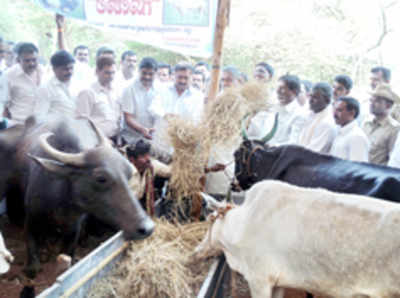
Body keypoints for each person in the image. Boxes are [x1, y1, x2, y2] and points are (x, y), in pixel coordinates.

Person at [76, 56, 121, 141]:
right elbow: (82, 123)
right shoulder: (87, 93)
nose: (111, 76)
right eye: (107, 73)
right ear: (97, 72)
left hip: (114, 140)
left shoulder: (116, 92)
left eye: (113, 73)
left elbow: (117, 120)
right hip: (96, 142)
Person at [121, 57, 158, 143]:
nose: (147, 77)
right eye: (144, 73)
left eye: (151, 74)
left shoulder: (160, 89)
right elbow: (128, 117)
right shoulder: (129, 88)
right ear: (139, 71)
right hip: (132, 139)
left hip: (153, 139)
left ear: (155, 73)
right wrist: (142, 129)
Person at [5, 42, 44, 123]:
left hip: (40, 124)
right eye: (27, 61)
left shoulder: (43, 71)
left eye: (34, 60)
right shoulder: (8, 75)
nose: (31, 63)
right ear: (18, 60)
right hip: (18, 125)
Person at [363, 83, 400, 166]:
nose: (372, 103)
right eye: (371, 100)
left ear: (388, 105)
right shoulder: (366, 123)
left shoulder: (394, 129)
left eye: (377, 101)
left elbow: (393, 160)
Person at [34, 50, 77, 118]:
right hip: (55, 127)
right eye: (65, 69)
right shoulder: (45, 89)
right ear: (54, 69)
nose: (69, 72)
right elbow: (39, 117)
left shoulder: (78, 84)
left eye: (71, 68)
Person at [298, 82, 337, 153]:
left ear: (327, 100)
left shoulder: (327, 123)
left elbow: (312, 153)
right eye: (310, 96)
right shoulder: (310, 114)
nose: (310, 100)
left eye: (315, 97)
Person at [330, 96, 369, 162]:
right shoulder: (340, 131)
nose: (334, 114)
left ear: (352, 113)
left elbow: (357, 168)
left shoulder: (357, 137)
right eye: (334, 110)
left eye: (339, 110)